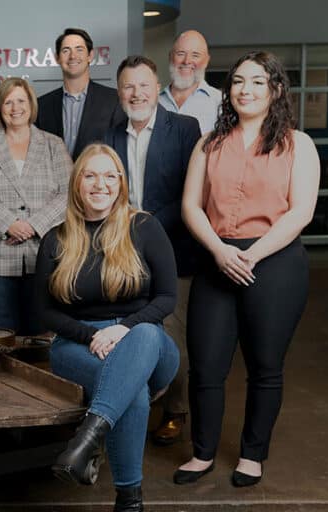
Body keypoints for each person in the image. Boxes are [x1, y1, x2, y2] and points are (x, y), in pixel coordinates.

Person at [174, 51, 319, 487]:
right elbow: (189, 206)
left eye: (257, 82)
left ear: (275, 90)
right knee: (205, 365)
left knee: (265, 366)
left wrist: (251, 255)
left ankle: (252, 455)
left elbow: (301, 213)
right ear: (228, 89)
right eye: (238, 81)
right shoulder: (209, 143)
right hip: (217, 258)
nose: (246, 90)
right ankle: (202, 453)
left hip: (275, 263)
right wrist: (220, 251)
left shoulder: (299, 144)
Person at [35, 143, 179, 512]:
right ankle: (129, 500)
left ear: (121, 183)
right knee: (131, 392)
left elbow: (166, 298)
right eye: (90, 175)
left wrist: (122, 329)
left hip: (148, 342)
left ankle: (86, 438)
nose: (100, 184)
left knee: (144, 336)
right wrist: (92, 335)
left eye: (109, 176)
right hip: (78, 345)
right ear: (77, 184)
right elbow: (44, 312)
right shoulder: (56, 238)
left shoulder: (144, 226)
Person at [104, 55, 201, 446]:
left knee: (171, 331)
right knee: (130, 331)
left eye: (143, 85)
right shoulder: (110, 134)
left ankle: (175, 409)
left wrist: (146, 229)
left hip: (173, 249)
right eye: (128, 86)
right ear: (119, 92)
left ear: (156, 86)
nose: (136, 93)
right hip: (122, 252)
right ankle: (135, 406)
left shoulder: (184, 128)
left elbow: (191, 193)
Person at [0, 77, 72, 334]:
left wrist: (33, 225)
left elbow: (69, 194)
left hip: (43, 256)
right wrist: (7, 223)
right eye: (8, 102)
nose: (15, 107)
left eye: (21, 100)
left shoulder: (54, 144)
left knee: (41, 342)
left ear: (31, 105)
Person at [36, 28, 126, 160]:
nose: (73, 56)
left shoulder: (113, 101)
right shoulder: (41, 106)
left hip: (96, 179)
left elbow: (119, 154)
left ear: (90, 55)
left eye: (79, 49)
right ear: (57, 58)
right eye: (66, 50)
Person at [158, 30, 222, 135]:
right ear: (170, 57)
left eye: (195, 55)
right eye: (181, 53)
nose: (187, 61)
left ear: (206, 61)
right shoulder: (153, 102)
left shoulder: (220, 103)